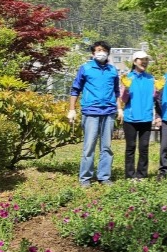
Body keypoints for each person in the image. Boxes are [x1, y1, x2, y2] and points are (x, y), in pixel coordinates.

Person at [68, 41, 120, 187]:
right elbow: (75, 89)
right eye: (98, 50)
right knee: (89, 146)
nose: (101, 53)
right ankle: (85, 178)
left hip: (109, 112)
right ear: (93, 53)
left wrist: (119, 108)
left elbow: (117, 91)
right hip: (91, 111)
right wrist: (72, 109)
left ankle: (104, 177)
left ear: (108, 53)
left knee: (106, 147)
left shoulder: (112, 70)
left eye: (104, 50)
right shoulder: (85, 68)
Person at [118, 50, 159, 179]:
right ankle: (130, 176)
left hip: (146, 118)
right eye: (142, 59)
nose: (145, 62)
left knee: (144, 148)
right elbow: (123, 100)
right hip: (131, 118)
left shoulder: (150, 79)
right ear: (135, 62)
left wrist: (158, 90)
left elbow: (153, 97)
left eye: (146, 60)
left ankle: (141, 175)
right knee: (130, 147)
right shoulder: (127, 78)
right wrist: (126, 89)